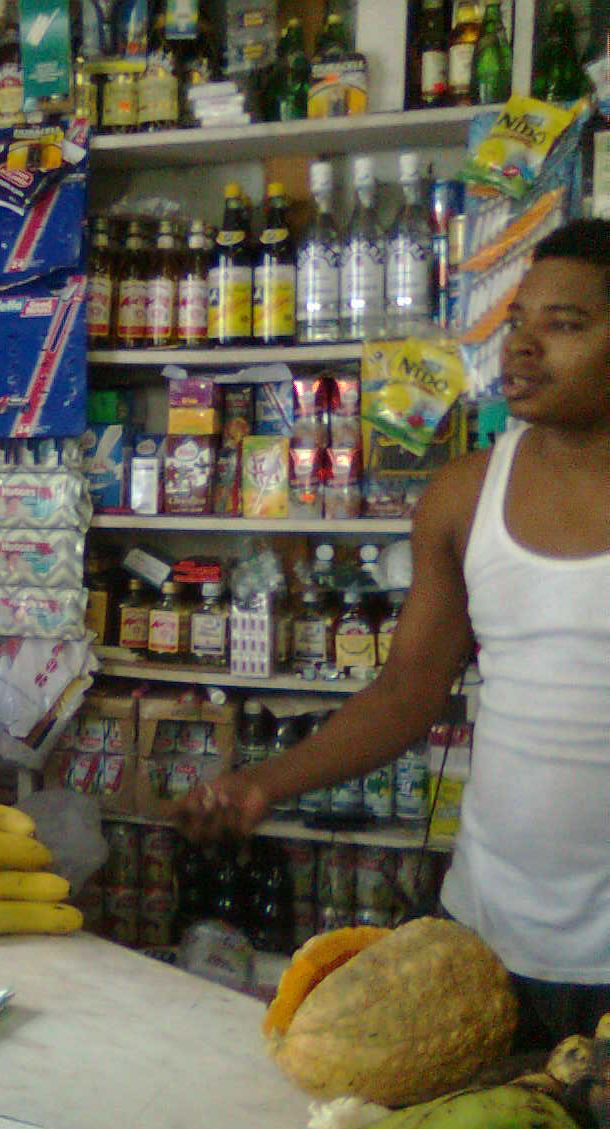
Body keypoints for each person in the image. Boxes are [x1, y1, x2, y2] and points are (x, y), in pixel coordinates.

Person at [179, 220, 610, 1051]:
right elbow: (407, 693)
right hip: (482, 933)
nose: (523, 346)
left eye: (564, 324)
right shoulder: (463, 496)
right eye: (518, 320)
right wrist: (264, 782)